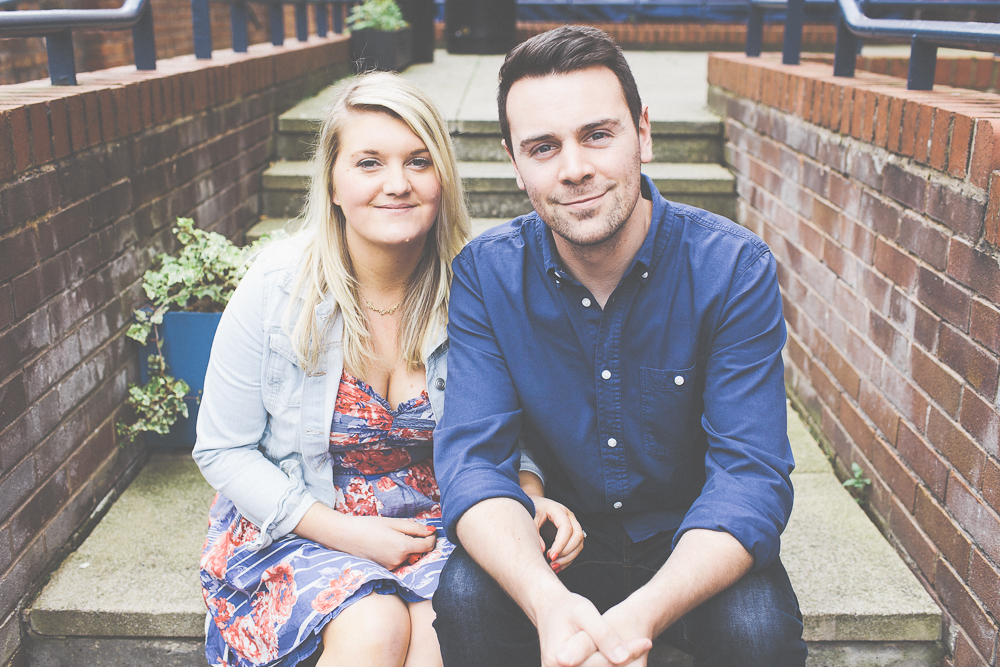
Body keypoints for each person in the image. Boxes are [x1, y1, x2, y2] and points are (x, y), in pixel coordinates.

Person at [432, 26, 808, 667]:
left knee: (757, 630)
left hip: (690, 541)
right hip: (560, 544)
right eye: (543, 147)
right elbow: (473, 464)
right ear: (515, 163)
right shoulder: (486, 276)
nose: (575, 168)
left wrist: (638, 619)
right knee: (466, 595)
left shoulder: (731, 268)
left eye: (597, 134)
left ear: (644, 134)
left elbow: (751, 475)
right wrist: (550, 607)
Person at [193, 72, 583, 667]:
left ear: (442, 178)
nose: (397, 184)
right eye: (369, 163)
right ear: (332, 181)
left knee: (443, 627)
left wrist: (527, 495)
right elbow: (222, 451)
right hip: (302, 523)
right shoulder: (278, 288)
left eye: (419, 162)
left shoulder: (475, 287)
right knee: (373, 625)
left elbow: (511, 426)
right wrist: (350, 534)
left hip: (440, 528)